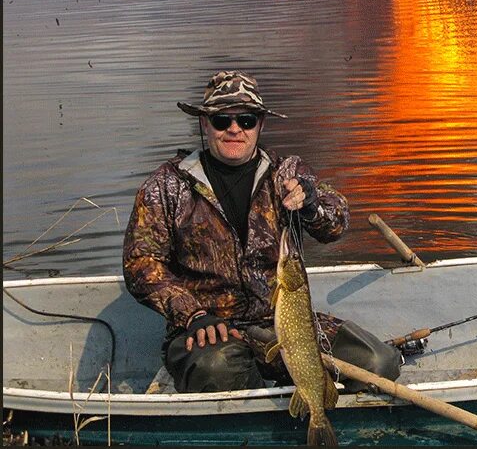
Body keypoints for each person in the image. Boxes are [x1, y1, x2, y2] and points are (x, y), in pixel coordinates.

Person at [123, 70, 400, 393]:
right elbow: (140, 263)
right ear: (204, 124)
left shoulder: (286, 172)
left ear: (260, 125)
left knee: (379, 363)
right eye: (221, 120)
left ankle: (311, 412)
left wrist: (311, 204)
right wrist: (192, 314)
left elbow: (336, 223)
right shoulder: (167, 185)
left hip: (285, 325)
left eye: (246, 119)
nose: (234, 129)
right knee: (218, 370)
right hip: (207, 332)